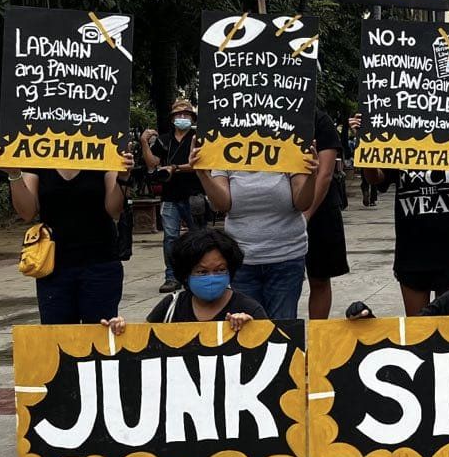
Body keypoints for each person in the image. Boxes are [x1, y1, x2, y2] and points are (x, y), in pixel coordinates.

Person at [0, 145, 132, 324]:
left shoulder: (105, 149)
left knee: (99, 335)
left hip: (100, 263)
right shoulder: (37, 152)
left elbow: (114, 210)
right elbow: (27, 212)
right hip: (53, 266)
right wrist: (14, 173)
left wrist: (123, 177)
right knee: (56, 337)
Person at [362, 128, 449, 315]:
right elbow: (375, 178)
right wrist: (365, 144)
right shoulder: (399, 142)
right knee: (417, 326)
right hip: (411, 252)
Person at [194, 144, 316, 319]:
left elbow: (302, 203)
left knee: (282, 326)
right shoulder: (226, 150)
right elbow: (222, 205)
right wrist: (203, 174)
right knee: (246, 328)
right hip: (243, 260)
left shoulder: (290, 147)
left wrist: (311, 175)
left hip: (286, 258)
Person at [101, 228, 268, 334]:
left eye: (220, 270)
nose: (211, 277)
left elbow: (270, 352)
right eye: (202, 272)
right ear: (186, 274)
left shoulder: (249, 309)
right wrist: (121, 330)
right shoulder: (170, 307)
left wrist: (252, 329)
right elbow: (142, 341)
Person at [139, 98, 204, 291]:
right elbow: (152, 163)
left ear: (192, 118)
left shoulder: (198, 138)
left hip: (194, 194)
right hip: (170, 196)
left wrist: (174, 168)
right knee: (170, 238)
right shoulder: (164, 140)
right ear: (173, 118)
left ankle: (199, 273)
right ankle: (172, 276)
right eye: (178, 114)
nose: (182, 117)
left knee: (199, 238)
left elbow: (199, 164)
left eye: (186, 114)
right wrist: (144, 142)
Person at [304, 109, 351, 319]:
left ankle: (317, 331)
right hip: (279, 211)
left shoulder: (320, 120)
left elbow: (325, 173)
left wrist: (306, 215)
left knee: (320, 278)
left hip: (320, 211)